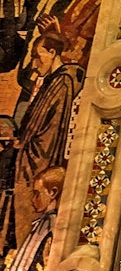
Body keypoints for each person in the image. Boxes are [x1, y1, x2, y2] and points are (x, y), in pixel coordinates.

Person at [14, 33, 84, 243]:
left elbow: (45, 135)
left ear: (53, 53)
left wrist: (21, 146)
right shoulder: (53, 81)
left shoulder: (61, 82)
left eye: (38, 56)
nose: (35, 65)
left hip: (36, 166)